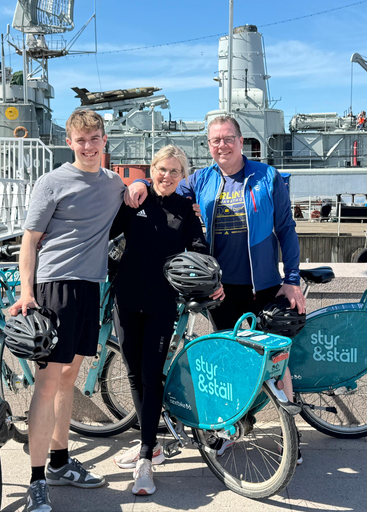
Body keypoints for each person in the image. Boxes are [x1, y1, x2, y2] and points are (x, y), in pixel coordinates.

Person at [125, 115, 305, 463]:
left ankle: (291, 437)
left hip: (263, 286)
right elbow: (166, 187)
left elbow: (286, 228)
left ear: (241, 141)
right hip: (220, 290)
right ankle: (234, 429)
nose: (221, 145)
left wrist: (292, 279)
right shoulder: (201, 180)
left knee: (278, 363)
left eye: (228, 139)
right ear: (208, 146)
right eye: (215, 140)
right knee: (229, 363)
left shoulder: (267, 178)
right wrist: (141, 184)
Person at [9, 109, 125, 512]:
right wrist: (28, 293)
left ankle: (59, 462)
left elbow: (136, 193)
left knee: (69, 376)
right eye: (81, 140)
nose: (89, 147)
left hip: (90, 287)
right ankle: (36, 480)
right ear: (70, 143)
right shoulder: (52, 181)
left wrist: (142, 182)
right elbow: (30, 241)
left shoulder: (114, 184)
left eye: (95, 139)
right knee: (48, 381)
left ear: (104, 140)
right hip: (55, 287)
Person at [110, 145, 223, 495]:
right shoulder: (134, 201)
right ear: (153, 168)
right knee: (132, 374)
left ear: (183, 176)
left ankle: (146, 457)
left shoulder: (184, 210)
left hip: (162, 304)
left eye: (175, 172)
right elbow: (105, 234)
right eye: (161, 169)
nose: (167, 177)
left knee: (149, 374)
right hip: (125, 300)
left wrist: (212, 279)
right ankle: (150, 444)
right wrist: (137, 183)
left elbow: (199, 248)